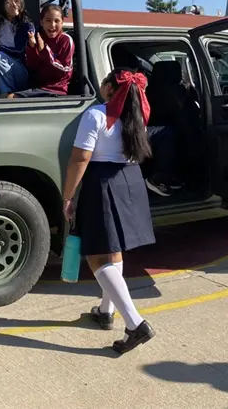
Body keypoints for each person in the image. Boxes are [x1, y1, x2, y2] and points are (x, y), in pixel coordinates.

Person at [61, 68, 156, 355]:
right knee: (113, 250)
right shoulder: (137, 114)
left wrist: (68, 197)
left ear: (109, 88)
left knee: (95, 256)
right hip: (130, 180)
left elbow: (81, 157)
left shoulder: (95, 115)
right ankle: (106, 310)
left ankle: (135, 323)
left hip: (102, 183)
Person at [13, 4, 75, 98]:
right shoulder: (40, 38)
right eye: (48, 21)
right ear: (42, 23)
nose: (52, 25)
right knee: (4, 95)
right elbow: (32, 66)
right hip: (38, 86)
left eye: (57, 21)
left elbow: (66, 70)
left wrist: (44, 51)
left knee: (11, 98)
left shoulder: (65, 40)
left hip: (55, 89)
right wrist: (32, 48)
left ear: (62, 22)